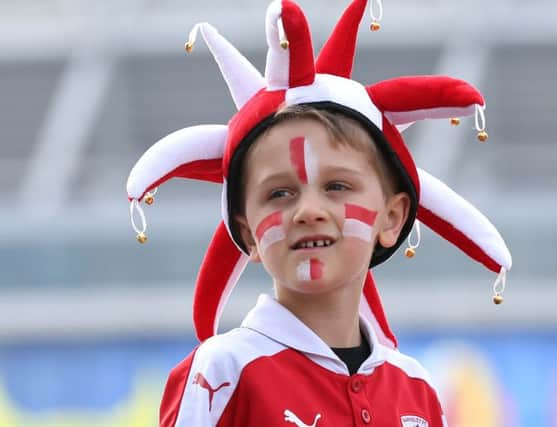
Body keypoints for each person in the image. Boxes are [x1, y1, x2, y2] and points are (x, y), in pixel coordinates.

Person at [125, 1, 512, 426]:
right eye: (279, 193)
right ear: (246, 233)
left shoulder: (417, 388)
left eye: (337, 186)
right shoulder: (221, 371)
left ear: (393, 217)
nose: (308, 210)